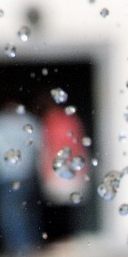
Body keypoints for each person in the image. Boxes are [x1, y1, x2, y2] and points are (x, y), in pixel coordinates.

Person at [0, 100, 42, 257]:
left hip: (5, 176)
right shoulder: (27, 122)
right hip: (22, 174)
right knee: (24, 211)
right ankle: (27, 246)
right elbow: (39, 146)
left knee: (10, 213)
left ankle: (19, 248)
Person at [36, 92, 90, 244]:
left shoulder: (51, 121)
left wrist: (47, 171)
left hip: (59, 172)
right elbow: (77, 145)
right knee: (68, 209)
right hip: (71, 170)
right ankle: (68, 241)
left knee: (60, 210)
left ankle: (63, 241)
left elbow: (50, 147)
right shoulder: (70, 120)